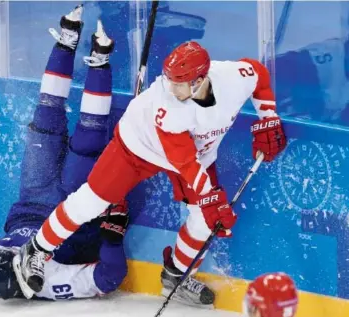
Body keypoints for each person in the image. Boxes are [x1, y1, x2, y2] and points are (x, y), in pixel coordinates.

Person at [19, 38, 288, 306]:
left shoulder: (233, 78)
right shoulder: (168, 106)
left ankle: (176, 276)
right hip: (137, 146)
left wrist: (269, 118)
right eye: (169, 80)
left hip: (198, 155)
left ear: (199, 80)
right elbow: (183, 160)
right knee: (92, 201)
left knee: (205, 221)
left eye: (179, 83)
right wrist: (209, 196)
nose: (170, 87)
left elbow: (259, 74)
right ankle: (36, 250)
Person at [0, 5, 128, 301]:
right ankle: (101, 59)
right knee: (89, 135)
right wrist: (112, 240)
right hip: (71, 208)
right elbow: (108, 278)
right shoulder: (48, 282)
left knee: (47, 115)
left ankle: (67, 39)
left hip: (33, 195)